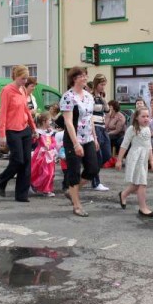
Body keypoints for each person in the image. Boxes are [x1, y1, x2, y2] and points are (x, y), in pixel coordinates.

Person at [60, 66, 100, 217]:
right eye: (82, 76)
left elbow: (90, 119)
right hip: (73, 139)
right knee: (74, 172)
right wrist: (76, 143)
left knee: (93, 169)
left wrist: (95, 138)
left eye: (85, 75)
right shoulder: (68, 97)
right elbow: (68, 122)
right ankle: (77, 205)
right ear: (74, 79)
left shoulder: (89, 96)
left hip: (88, 138)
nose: (85, 78)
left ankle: (72, 191)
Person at [0, 65, 37, 202]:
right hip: (12, 130)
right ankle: (1, 181)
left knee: (26, 163)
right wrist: (2, 134)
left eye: (26, 78)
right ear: (16, 76)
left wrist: (33, 127)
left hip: (24, 129)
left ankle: (21, 195)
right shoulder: (7, 90)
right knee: (18, 160)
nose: (25, 81)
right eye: (23, 78)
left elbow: (26, 110)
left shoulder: (23, 90)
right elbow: (3, 113)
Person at [116, 107, 153, 217]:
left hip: (144, 158)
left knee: (136, 184)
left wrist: (151, 160)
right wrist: (119, 160)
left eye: (147, 116)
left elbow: (149, 146)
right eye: (143, 116)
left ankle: (123, 194)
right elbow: (124, 145)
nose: (146, 118)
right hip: (135, 157)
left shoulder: (148, 129)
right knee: (142, 183)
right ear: (137, 118)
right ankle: (143, 208)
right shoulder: (132, 129)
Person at [90, 74, 111, 191]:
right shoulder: (90, 96)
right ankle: (95, 181)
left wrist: (104, 100)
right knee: (98, 155)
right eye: (102, 84)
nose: (103, 87)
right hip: (95, 126)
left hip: (103, 126)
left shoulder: (101, 96)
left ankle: (91, 170)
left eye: (104, 84)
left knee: (107, 154)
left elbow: (108, 111)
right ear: (96, 84)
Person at [31, 111, 57, 197]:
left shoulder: (50, 132)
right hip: (40, 155)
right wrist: (35, 137)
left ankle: (46, 189)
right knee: (41, 172)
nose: (51, 122)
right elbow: (33, 141)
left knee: (50, 173)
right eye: (49, 120)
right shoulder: (38, 132)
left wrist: (50, 147)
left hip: (49, 154)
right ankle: (35, 185)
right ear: (44, 121)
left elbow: (54, 142)